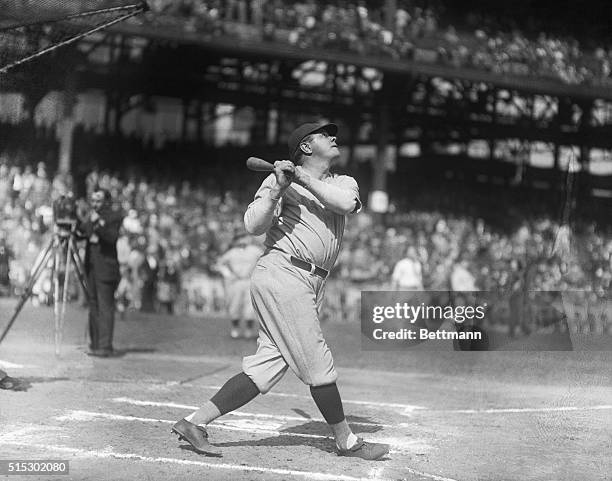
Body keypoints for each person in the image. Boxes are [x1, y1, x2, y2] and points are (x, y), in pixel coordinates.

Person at [171, 121, 389, 461]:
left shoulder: (343, 182)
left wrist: (300, 179)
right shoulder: (277, 181)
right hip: (283, 272)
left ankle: (194, 422)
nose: (333, 137)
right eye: (323, 135)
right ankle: (346, 440)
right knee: (317, 363)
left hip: (307, 281)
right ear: (305, 147)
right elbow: (253, 225)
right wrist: (277, 189)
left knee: (266, 366)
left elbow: (344, 204)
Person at [79, 188, 123, 357]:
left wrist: (98, 225)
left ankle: (105, 345)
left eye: (98, 200)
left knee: (105, 306)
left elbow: (111, 237)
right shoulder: (92, 215)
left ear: (106, 202)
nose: (95, 203)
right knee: (93, 304)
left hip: (106, 268)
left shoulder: (113, 216)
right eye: (93, 200)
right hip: (91, 268)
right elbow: (83, 232)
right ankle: (95, 343)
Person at [215, 232, 263, 339]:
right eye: (240, 238)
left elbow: (265, 261)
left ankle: (249, 330)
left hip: (250, 281)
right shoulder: (231, 253)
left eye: (244, 238)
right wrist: (229, 275)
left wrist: (257, 273)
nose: (243, 241)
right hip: (235, 282)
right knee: (234, 305)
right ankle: (235, 329)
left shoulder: (255, 251)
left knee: (250, 307)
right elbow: (219, 265)